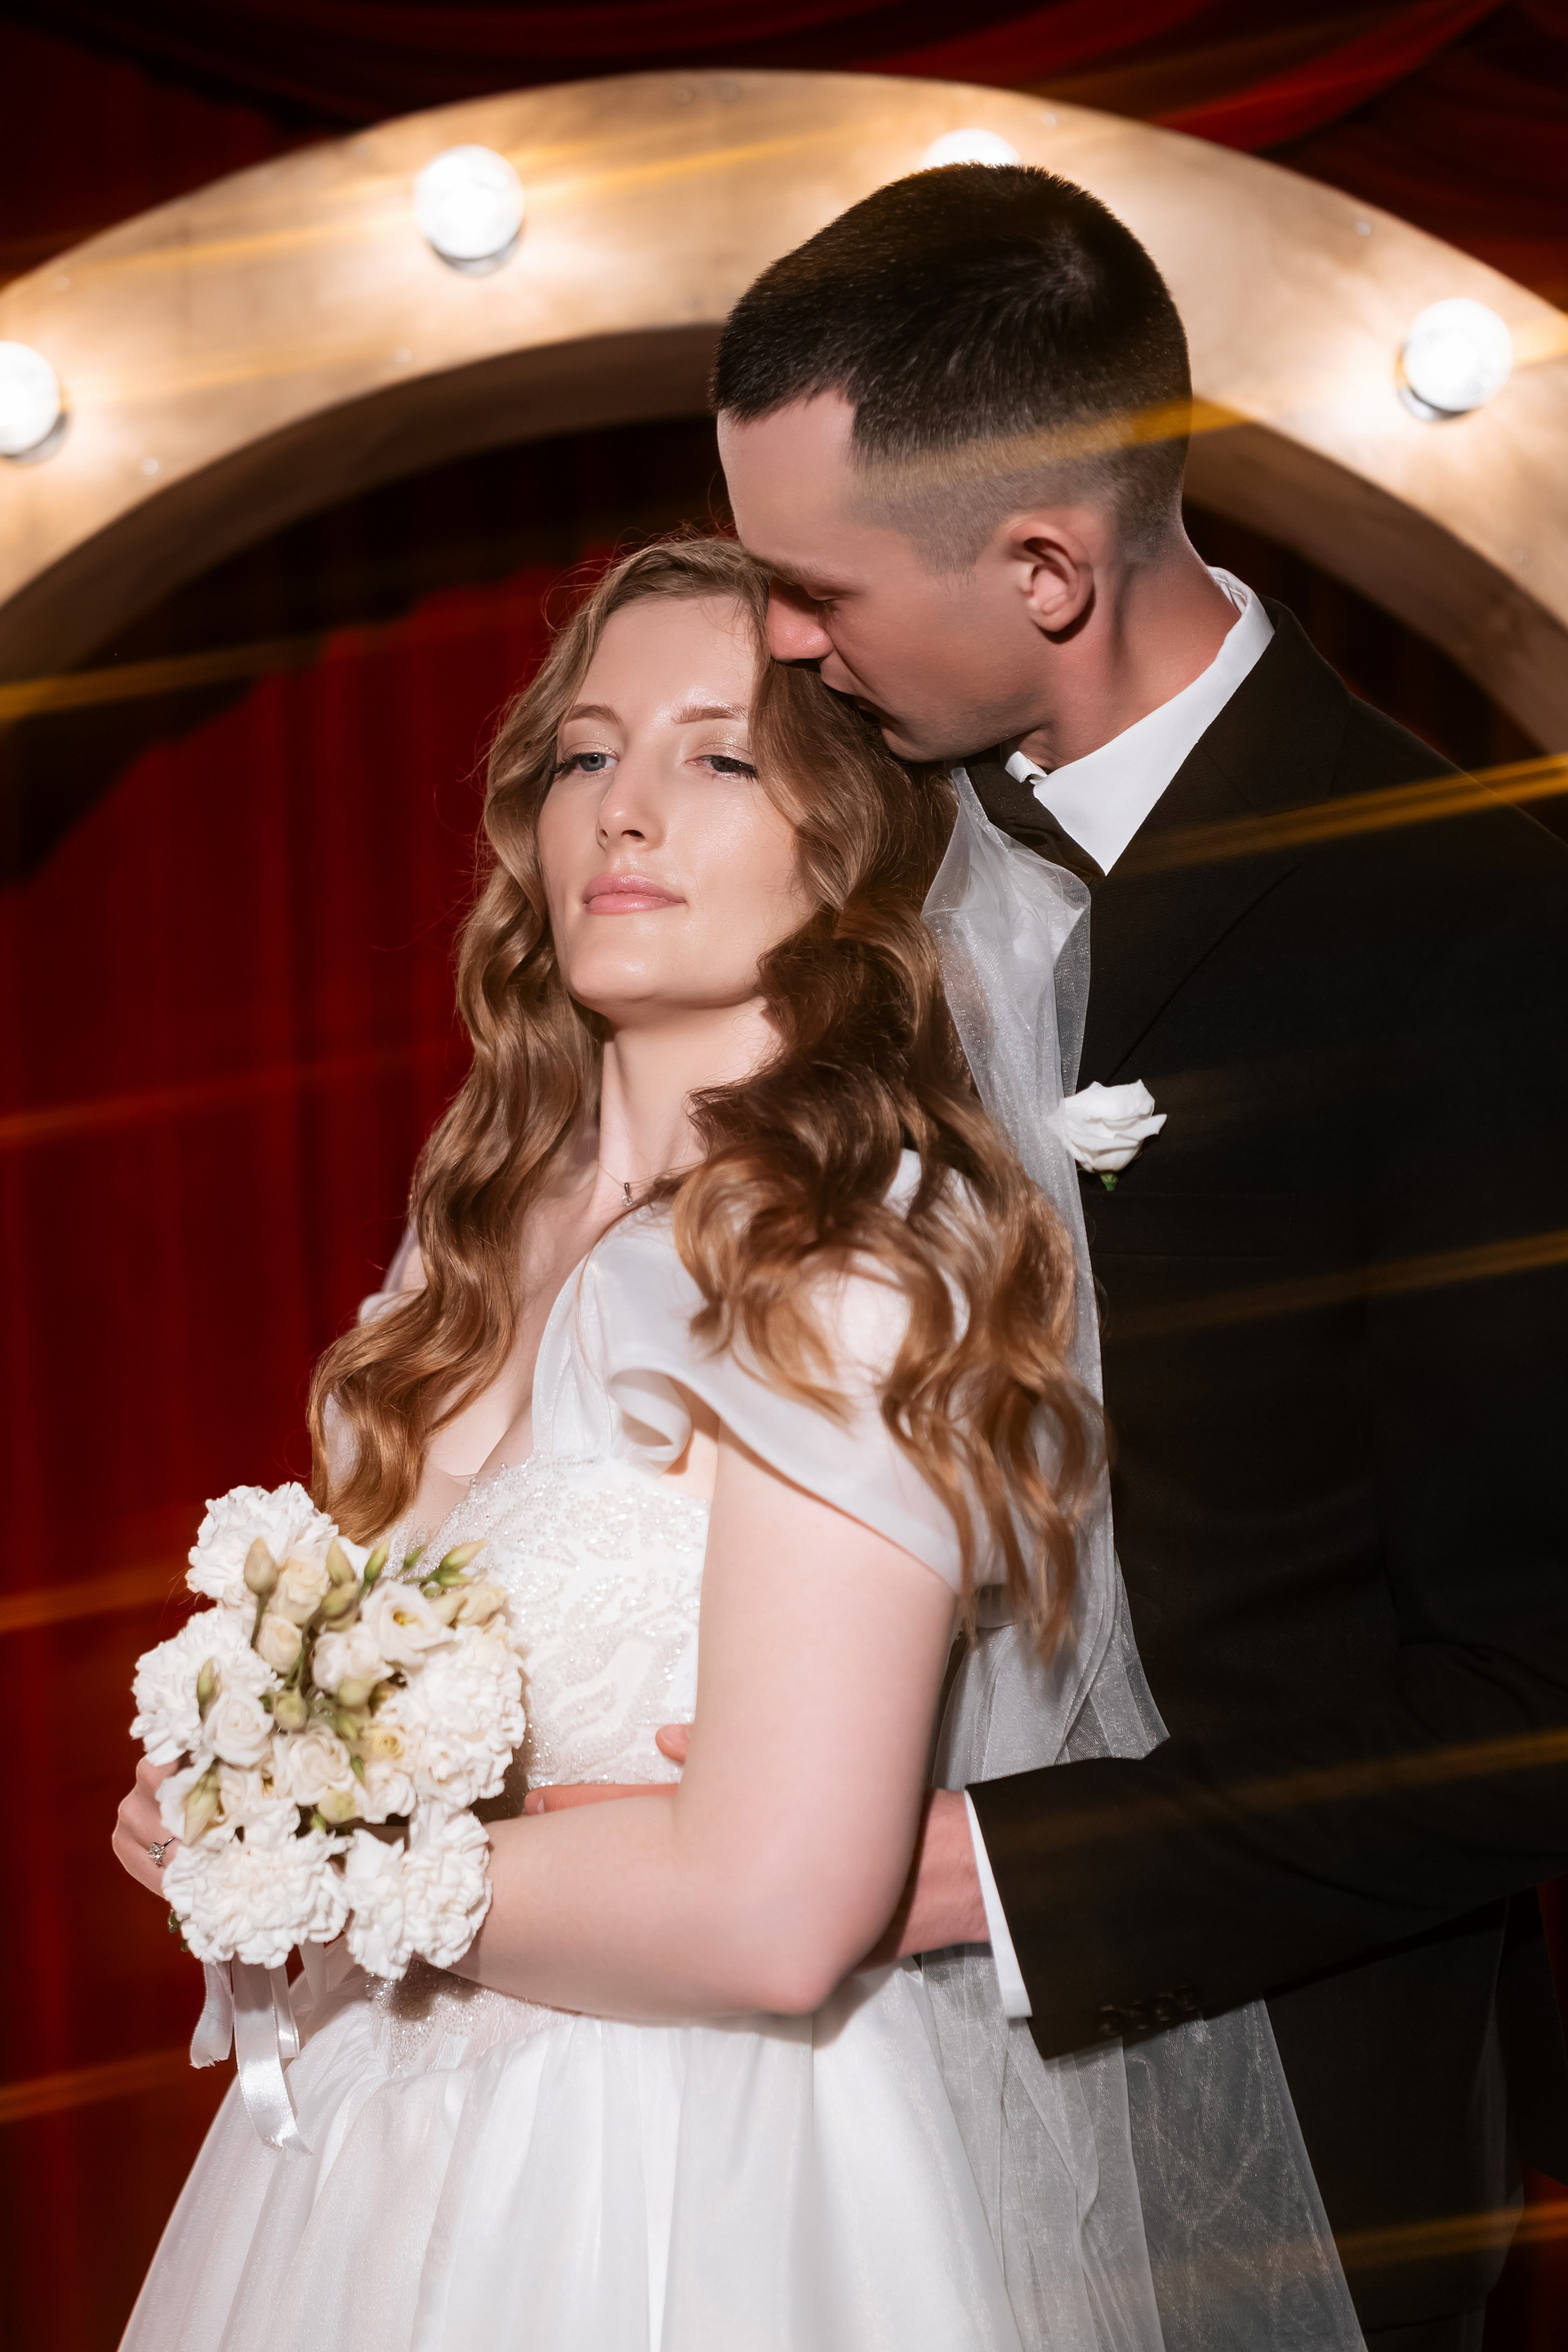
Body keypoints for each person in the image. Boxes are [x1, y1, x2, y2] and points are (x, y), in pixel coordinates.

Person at [112, 536, 1360, 2351]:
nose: (623, 810)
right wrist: (236, 1793)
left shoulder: (850, 1256)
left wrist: (309, 1860)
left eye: (717, 756)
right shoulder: (471, 1249)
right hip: (367, 2165)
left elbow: (778, 1908)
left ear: (849, 848)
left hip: (679, 2174)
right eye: (586, 754)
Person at [701, 163, 1568, 2352]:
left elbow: (1529, 1699)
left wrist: (968, 1873)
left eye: (816, 588)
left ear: (1048, 568)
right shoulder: (826, 851)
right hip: (812, 2120)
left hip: (1271, 2157)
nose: (782, 642)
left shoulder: (1473, 929)